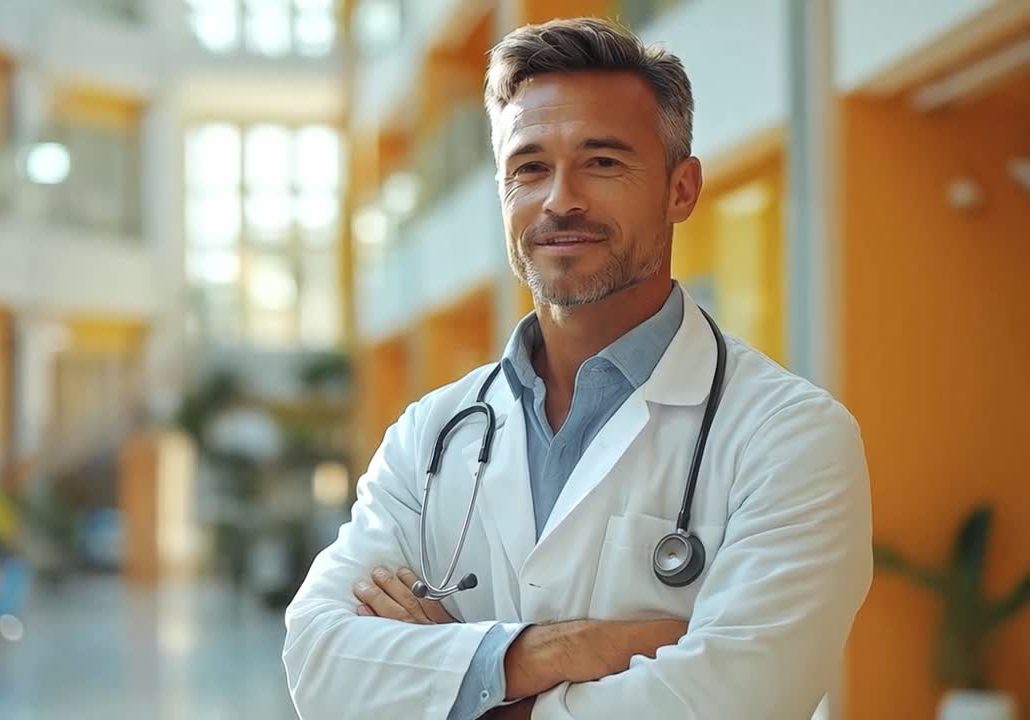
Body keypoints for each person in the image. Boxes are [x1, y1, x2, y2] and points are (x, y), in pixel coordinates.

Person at [283, 17, 871, 720]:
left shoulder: (791, 437)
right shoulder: (429, 435)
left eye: (603, 161)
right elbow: (320, 658)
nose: (561, 199)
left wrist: (461, 686)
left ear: (681, 189)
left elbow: (737, 698)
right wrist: (554, 653)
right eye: (529, 167)